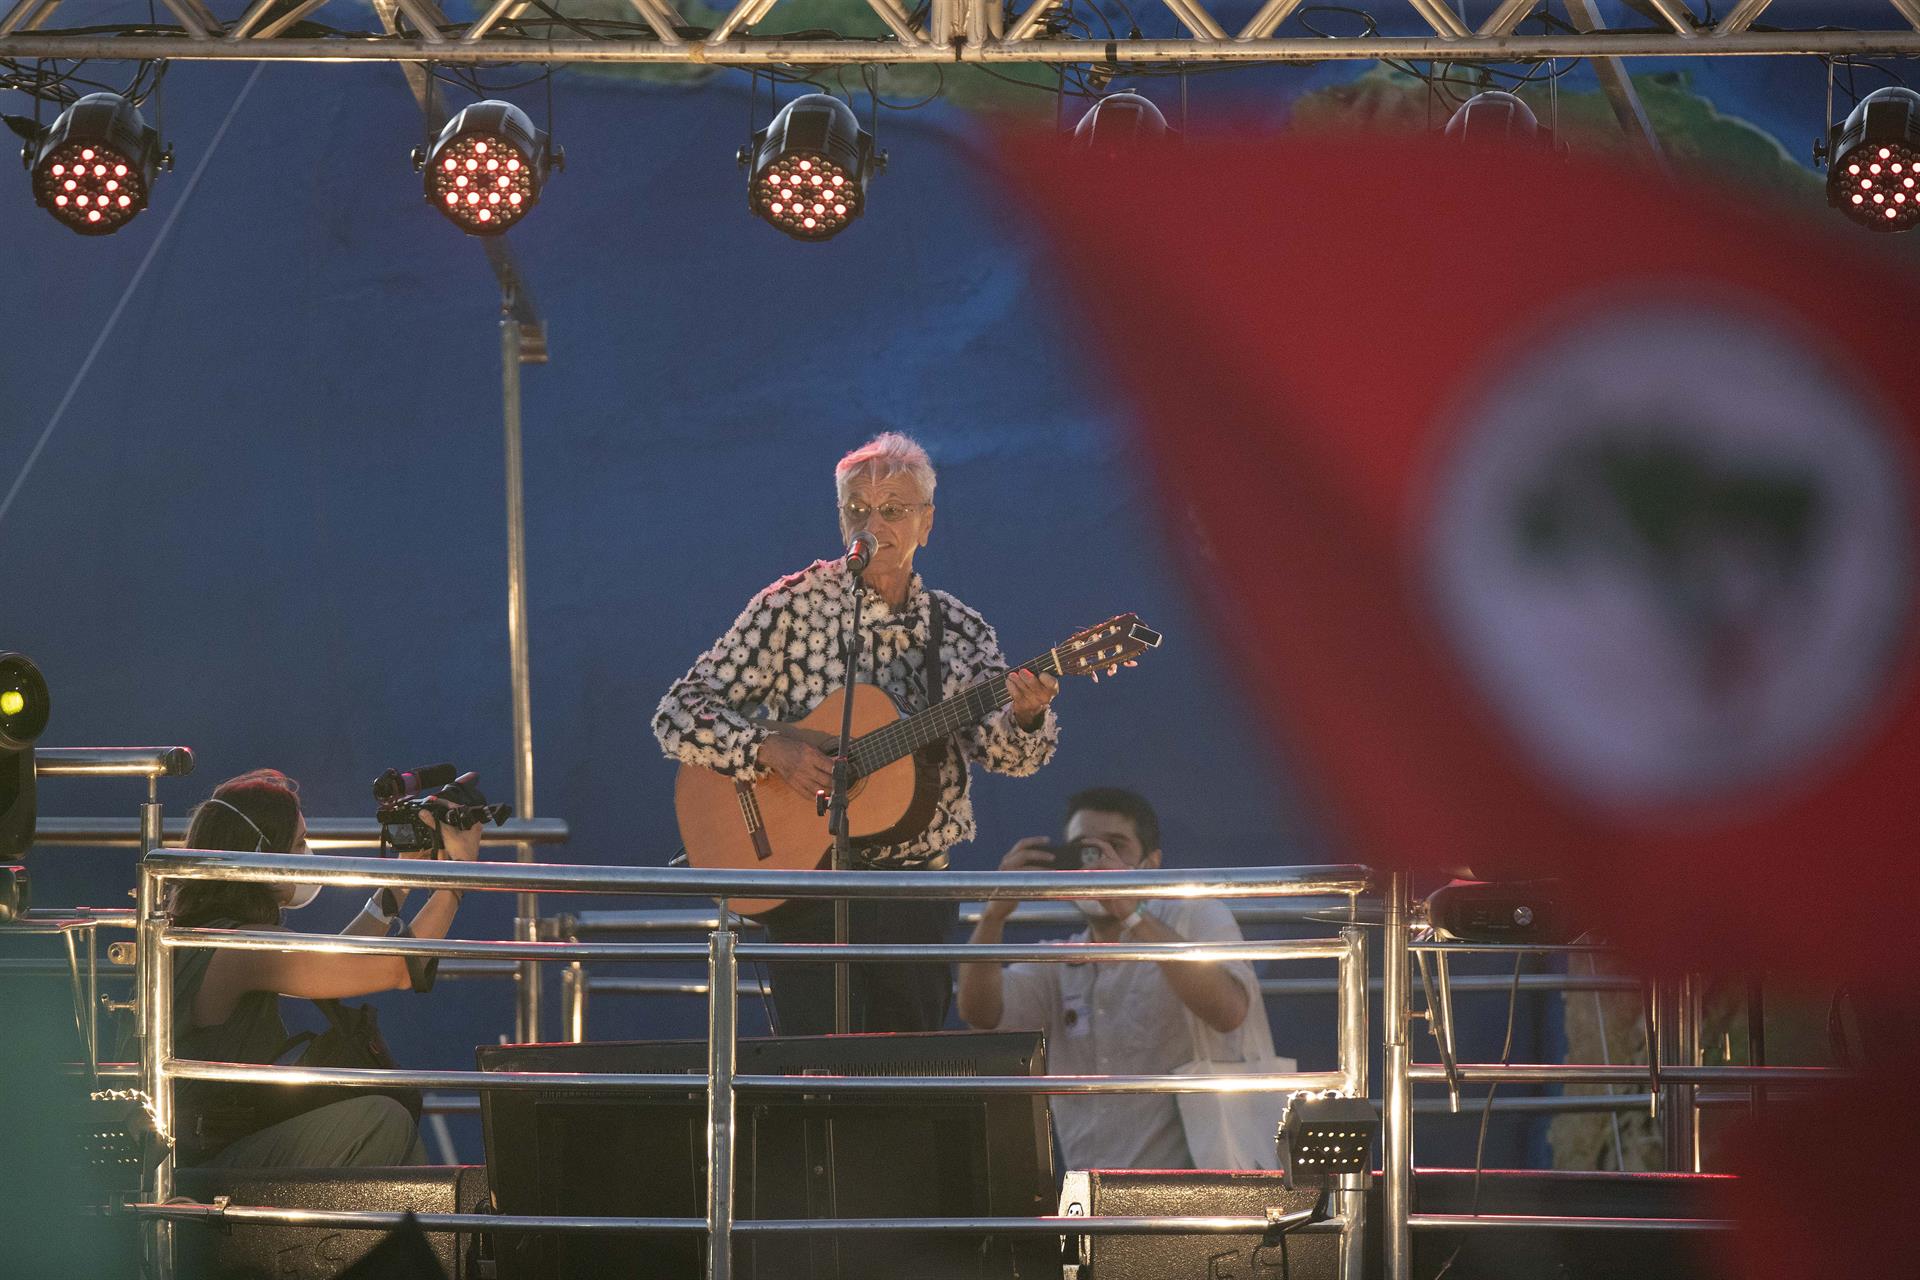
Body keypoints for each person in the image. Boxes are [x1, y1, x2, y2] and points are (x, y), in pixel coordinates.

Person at [653, 431, 1060, 1034]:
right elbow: (678, 713)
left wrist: (1026, 714)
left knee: (905, 1076)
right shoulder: (790, 607)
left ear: (927, 522)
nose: (873, 524)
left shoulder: (958, 629)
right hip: (809, 885)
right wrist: (771, 750)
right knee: (815, 1078)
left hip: (914, 896)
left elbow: (1005, 754)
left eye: (892, 511)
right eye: (857, 510)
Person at [163, 768, 478, 1167]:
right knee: (381, 1121)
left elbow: (333, 963)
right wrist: (458, 876)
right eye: (298, 843)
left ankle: (436, 1228)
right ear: (260, 856)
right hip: (204, 1165)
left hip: (219, 1143)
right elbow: (400, 970)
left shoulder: (211, 933)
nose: (307, 854)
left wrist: (402, 878)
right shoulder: (238, 948)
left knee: (386, 1119)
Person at [956, 787, 1278, 1170]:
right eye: (1082, 850)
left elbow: (1229, 1010)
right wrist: (994, 914)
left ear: (1151, 863)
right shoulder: (1058, 959)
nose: (1097, 862)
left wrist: (1133, 913)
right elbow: (981, 1013)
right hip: (1095, 1201)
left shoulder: (1196, 916)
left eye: (1115, 847)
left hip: (1205, 1194)